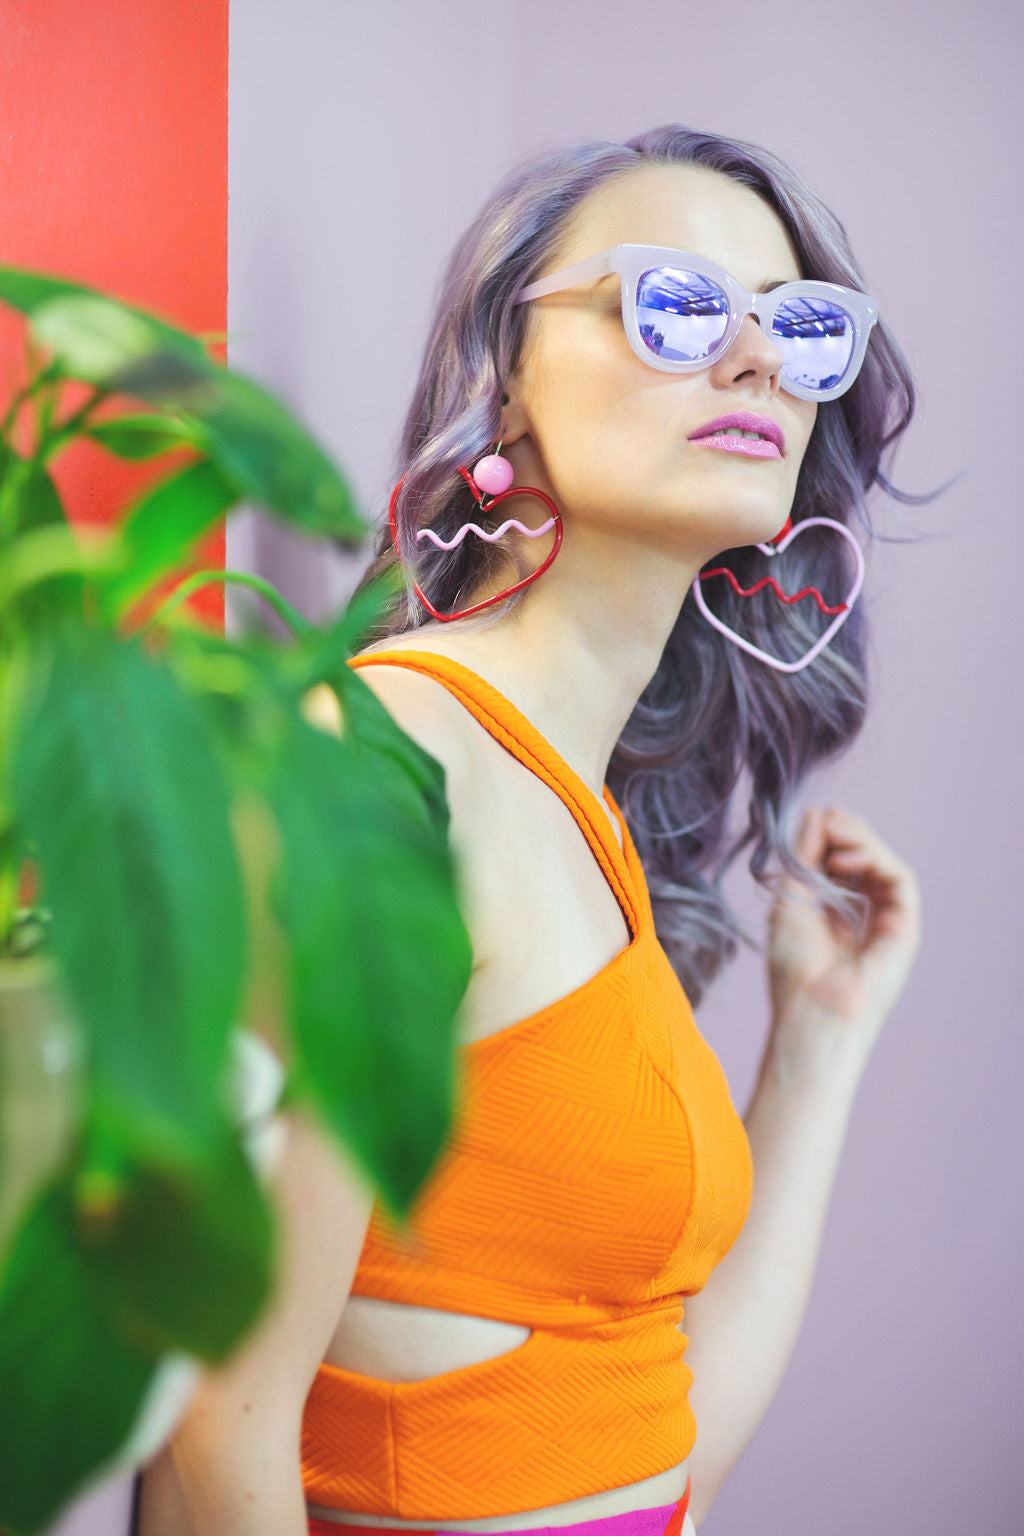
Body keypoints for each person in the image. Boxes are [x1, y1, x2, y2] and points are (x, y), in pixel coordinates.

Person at [137, 123, 925, 1536]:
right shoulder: (389, 773)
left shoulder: (580, 814)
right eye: (677, 306)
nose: (755, 361)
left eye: (799, 327)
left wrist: (819, 1043)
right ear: (505, 382)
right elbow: (216, 1442)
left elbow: (649, 1439)